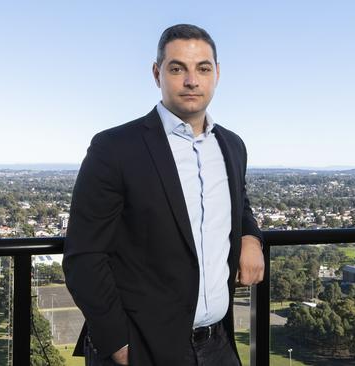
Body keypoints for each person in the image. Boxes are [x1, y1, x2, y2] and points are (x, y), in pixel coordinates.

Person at [63, 24, 264, 366]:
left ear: (217, 74)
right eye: (177, 68)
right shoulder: (114, 148)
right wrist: (119, 343)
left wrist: (251, 237)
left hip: (218, 344)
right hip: (143, 347)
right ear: (157, 74)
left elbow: (238, 202)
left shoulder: (232, 145)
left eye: (203, 68)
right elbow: (84, 255)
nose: (191, 80)